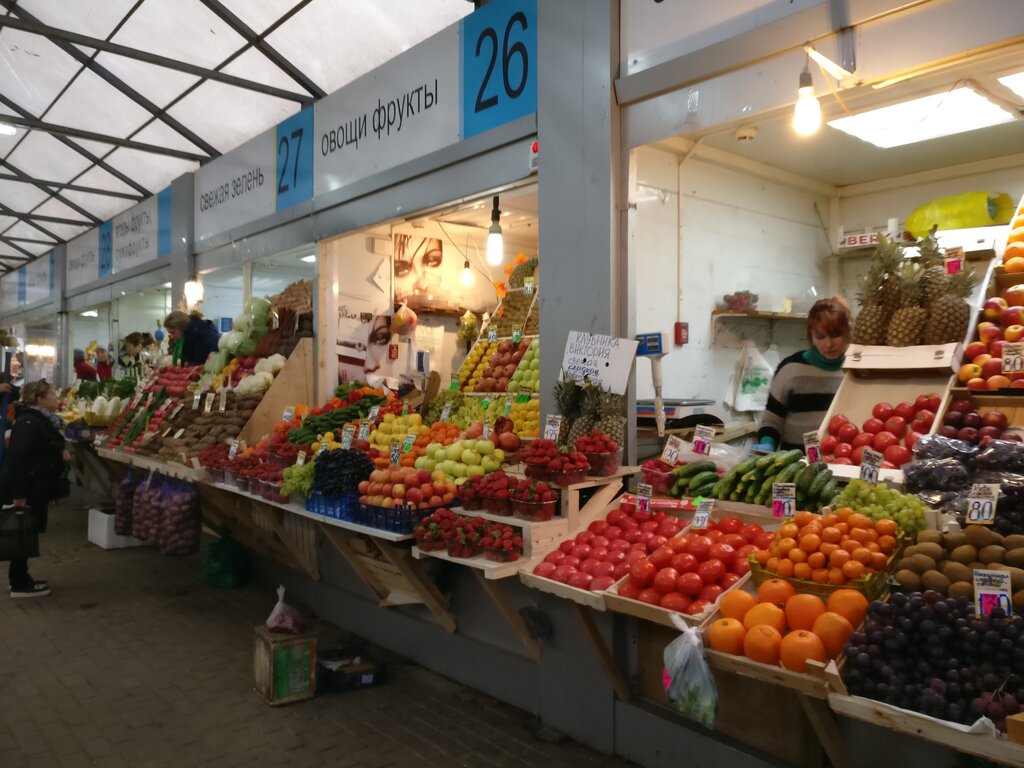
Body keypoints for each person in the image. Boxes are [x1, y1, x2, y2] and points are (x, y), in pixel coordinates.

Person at [1, 380, 70, 597]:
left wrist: (58, 454)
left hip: (33, 484)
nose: (56, 397)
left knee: (25, 531)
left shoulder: (35, 419)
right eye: (51, 394)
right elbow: (18, 458)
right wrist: (19, 495)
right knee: (22, 531)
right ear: (40, 399)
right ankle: (20, 582)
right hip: (28, 486)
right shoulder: (30, 422)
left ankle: (20, 577)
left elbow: (37, 450)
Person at [756, 297, 851, 451]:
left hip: (842, 463)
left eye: (835, 335)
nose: (828, 344)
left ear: (847, 333)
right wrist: (767, 444)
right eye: (820, 337)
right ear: (811, 336)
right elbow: (772, 419)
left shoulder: (856, 371)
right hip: (795, 465)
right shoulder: (790, 369)